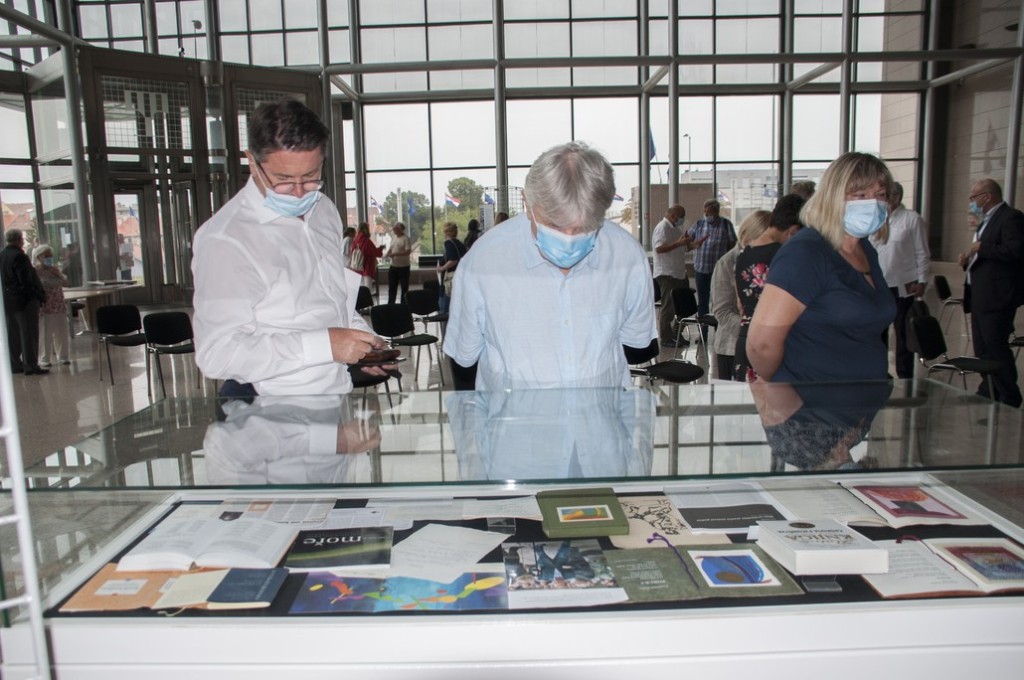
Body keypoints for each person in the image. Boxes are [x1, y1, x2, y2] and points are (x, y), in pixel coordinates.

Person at [192, 98, 389, 397]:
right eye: (283, 180)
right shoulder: (227, 239)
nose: (299, 193)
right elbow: (218, 353)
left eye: (310, 177)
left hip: (332, 394)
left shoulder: (323, 209)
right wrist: (326, 345)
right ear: (252, 163)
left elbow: (332, 303)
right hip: (267, 406)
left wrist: (363, 342)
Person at [443, 141, 656, 391]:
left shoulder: (626, 256)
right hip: (512, 412)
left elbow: (637, 343)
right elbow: (464, 359)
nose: (569, 238)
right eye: (555, 225)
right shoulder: (483, 262)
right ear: (527, 204)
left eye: (585, 227)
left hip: (601, 410)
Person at [746, 152, 896, 383]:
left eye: (880, 195)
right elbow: (761, 345)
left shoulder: (865, 250)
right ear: (832, 198)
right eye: (860, 195)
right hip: (811, 399)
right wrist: (781, 390)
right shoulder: (806, 253)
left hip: (862, 396)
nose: (872, 203)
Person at [957, 178, 1024, 407]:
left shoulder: (1010, 217)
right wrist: (968, 259)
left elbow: (1015, 250)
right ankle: (989, 388)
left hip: (997, 295)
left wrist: (983, 248)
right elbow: (984, 256)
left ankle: (1009, 395)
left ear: (988, 196)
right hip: (979, 294)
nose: (971, 202)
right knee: (982, 347)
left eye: (973, 197)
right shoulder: (983, 221)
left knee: (996, 346)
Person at [733, 195, 805, 382]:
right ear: (793, 231)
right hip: (773, 343)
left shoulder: (743, 253)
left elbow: (740, 303)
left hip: (747, 339)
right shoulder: (784, 255)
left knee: (747, 398)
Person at [871, 182, 930, 380]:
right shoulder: (876, 219)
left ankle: (905, 376)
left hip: (903, 285)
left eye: (883, 195)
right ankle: (879, 373)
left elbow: (922, 253)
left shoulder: (912, 219)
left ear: (895, 197)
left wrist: (922, 280)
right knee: (878, 331)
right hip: (879, 284)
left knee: (903, 332)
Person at [711, 212, 770, 381]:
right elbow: (722, 311)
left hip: (763, 346)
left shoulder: (768, 259)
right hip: (732, 347)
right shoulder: (726, 263)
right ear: (748, 235)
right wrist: (753, 331)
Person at [0, 229, 47, 375]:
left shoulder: (2, 255)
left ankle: (14, 364)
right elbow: (26, 281)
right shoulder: (20, 256)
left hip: (7, 300)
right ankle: (30, 364)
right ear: (18, 239)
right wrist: (37, 296)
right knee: (29, 333)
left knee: (13, 334)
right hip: (24, 301)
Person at [686, 198, 736, 330]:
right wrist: (694, 244)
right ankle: (703, 332)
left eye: (709, 212)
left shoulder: (726, 225)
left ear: (717, 211)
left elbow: (732, 245)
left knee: (719, 301)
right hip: (701, 269)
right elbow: (687, 245)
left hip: (718, 271)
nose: (707, 214)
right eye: (705, 212)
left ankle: (719, 331)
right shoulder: (699, 224)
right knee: (702, 302)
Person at [652, 204, 694, 348]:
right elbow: (659, 248)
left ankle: (677, 334)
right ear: (672, 215)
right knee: (668, 307)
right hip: (667, 273)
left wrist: (691, 244)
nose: (682, 219)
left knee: (683, 305)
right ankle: (665, 337)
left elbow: (680, 247)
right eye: (680, 216)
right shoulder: (662, 227)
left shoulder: (675, 229)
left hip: (679, 273)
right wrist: (678, 243)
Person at [32, 244, 70, 367]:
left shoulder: (54, 269)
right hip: (45, 306)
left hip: (59, 304)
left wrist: (58, 279)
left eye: (50, 256)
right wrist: (56, 282)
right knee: (45, 333)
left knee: (61, 331)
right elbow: (43, 284)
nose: (49, 258)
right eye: (46, 256)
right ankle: (44, 358)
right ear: (39, 257)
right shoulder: (35, 271)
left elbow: (65, 282)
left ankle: (63, 356)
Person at [435, 221, 466, 316]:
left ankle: (444, 323)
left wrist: (442, 268)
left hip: (451, 277)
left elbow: (453, 260)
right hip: (461, 275)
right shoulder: (459, 243)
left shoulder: (448, 243)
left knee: (444, 305)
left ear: (446, 232)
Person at [384, 222, 412, 304]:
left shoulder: (406, 239)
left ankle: (403, 305)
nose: (394, 230)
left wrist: (395, 254)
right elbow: (391, 248)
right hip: (393, 266)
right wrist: (388, 253)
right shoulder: (394, 237)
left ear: (401, 229)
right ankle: (391, 304)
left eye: (396, 228)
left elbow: (408, 251)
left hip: (404, 267)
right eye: (394, 228)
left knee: (404, 287)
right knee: (392, 286)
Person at [352, 221, 384, 289]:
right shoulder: (367, 241)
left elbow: (352, 251)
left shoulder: (355, 240)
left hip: (357, 267)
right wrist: (380, 248)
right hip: (367, 268)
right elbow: (376, 253)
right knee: (367, 288)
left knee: (361, 288)